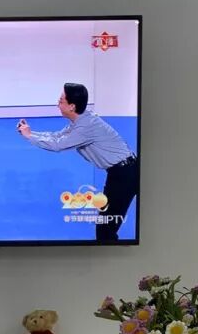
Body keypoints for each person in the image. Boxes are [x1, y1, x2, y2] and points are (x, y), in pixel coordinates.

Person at [17, 83, 138, 241]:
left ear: (72, 106)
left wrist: (29, 136)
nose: (57, 104)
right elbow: (57, 136)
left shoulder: (86, 126)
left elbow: (58, 145)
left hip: (125, 173)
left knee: (106, 230)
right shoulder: (82, 120)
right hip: (121, 172)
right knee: (106, 228)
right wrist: (31, 133)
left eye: (61, 101)